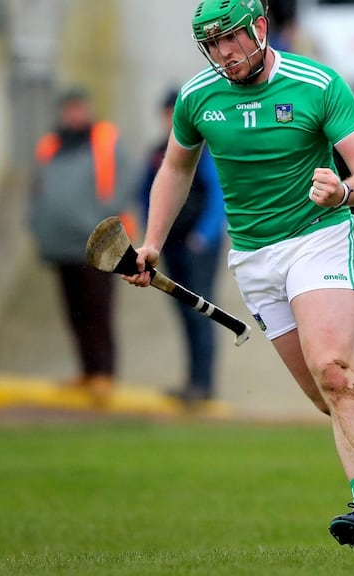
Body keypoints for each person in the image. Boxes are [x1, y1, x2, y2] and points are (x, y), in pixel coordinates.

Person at [123, 0, 354, 547]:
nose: (223, 53)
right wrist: (152, 243)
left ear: (260, 28)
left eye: (231, 38)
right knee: (324, 396)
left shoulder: (317, 84)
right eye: (212, 44)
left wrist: (343, 190)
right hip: (253, 258)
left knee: (333, 370)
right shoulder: (197, 97)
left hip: (318, 237)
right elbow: (175, 168)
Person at [29, 88, 135, 403]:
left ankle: (104, 373)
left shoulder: (105, 138)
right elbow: (37, 188)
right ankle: (87, 370)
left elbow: (125, 179)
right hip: (61, 245)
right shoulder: (50, 145)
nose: (74, 114)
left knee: (98, 309)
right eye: (69, 109)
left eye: (78, 108)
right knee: (74, 310)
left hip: (97, 245)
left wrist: (103, 215)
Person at [137, 89, 227, 407]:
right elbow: (145, 194)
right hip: (170, 245)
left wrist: (202, 237)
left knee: (201, 311)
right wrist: (152, 238)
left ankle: (203, 383)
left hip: (198, 246)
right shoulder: (157, 152)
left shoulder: (203, 149)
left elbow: (217, 194)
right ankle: (191, 381)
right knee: (183, 314)